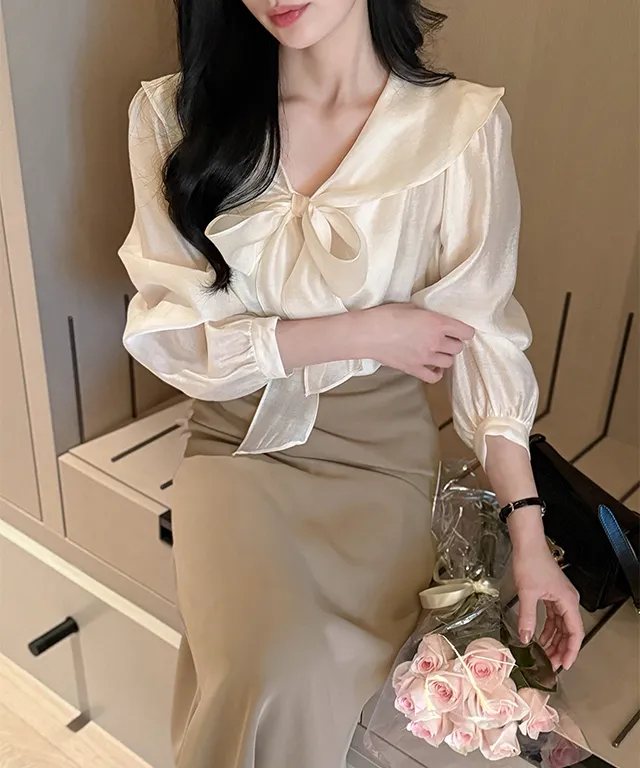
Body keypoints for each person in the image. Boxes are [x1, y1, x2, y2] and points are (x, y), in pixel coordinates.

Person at [119, 1, 584, 766]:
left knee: (320, 677)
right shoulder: (174, 115)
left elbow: (487, 347)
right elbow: (171, 335)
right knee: (273, 667)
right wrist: (363, 332)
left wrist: (530, 538)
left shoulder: (459, 129)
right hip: (238, 445)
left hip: (380, 459)